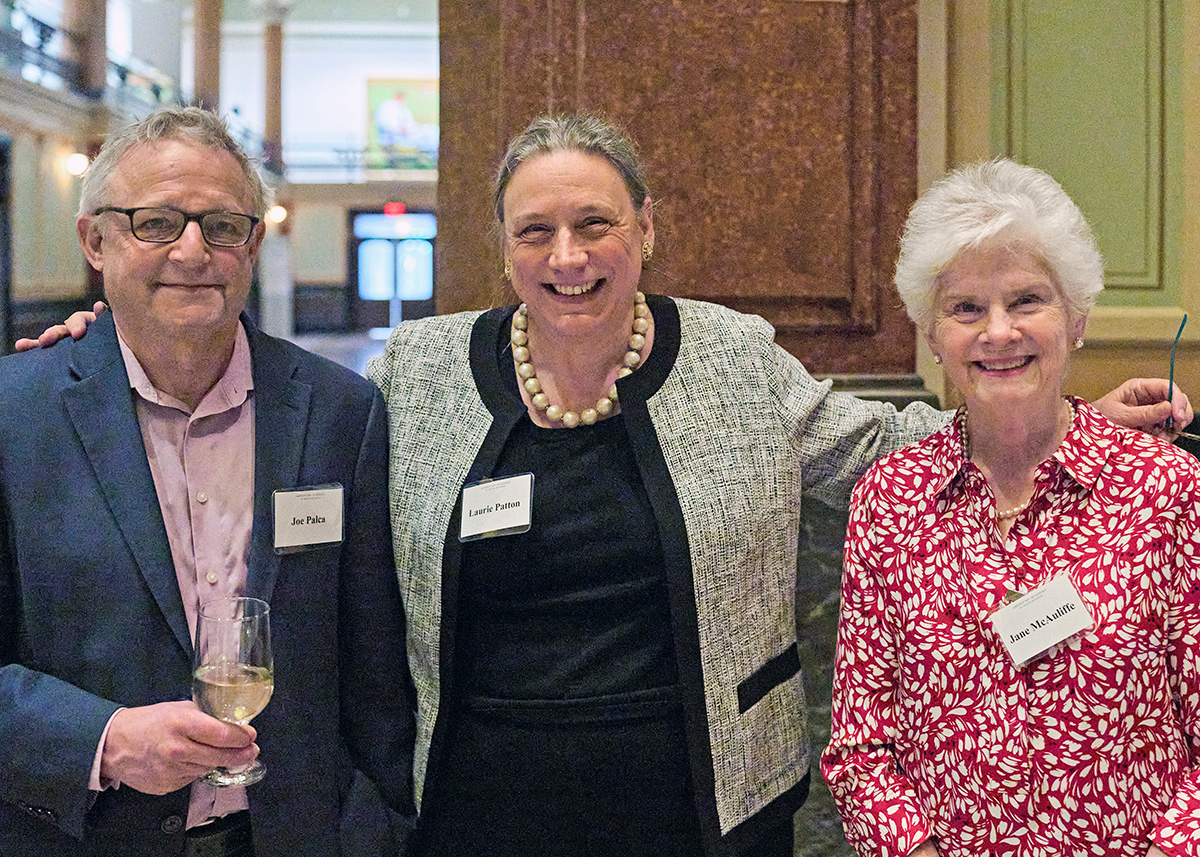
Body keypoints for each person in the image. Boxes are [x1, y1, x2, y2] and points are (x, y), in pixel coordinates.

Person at [21, 115, 1190, 856]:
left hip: (703, 800)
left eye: (595, 223)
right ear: (502, 248)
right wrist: (102, 344)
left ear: (645, 228)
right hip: (479, 805)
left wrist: (1062, 424)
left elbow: (877, 452)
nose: (568, 256)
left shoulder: (730, 353)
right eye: (537, 230)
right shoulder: (414, 376)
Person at [0, 106, 415, 857]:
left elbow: (375, 666)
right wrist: (103, 738)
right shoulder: (13, 418)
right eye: (156, 222)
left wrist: (378, 827)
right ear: (95, 239)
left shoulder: (338, 412)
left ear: (253, 243)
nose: (193, 250)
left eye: (222, 225)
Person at [820, 159, 1200, 856]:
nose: (998, 332)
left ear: (1077, 319)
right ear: (932, 335)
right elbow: (862, 750)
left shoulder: (1164, 492)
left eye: (1027, 300)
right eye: (966, 308)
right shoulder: (890, 500)